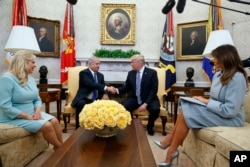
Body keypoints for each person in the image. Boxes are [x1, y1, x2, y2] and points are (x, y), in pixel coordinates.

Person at [154, 44, 248, 167]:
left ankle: (170, 150)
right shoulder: (219, 75)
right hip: (219, 112)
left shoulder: (237, 78)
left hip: (232, 118)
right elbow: (215, 99)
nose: (212, 60)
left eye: (215, 57)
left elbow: (230, 110)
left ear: (225, 57)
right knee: (187, 105)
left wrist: (206, 101)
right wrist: (202, 100)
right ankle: (170, 145)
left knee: (187, 112)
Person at [0, 50, 63, 150]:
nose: (35, 65)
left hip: (32, 113)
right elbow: (4, 106)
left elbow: (37, 99)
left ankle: (59, 148)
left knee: (55, 121)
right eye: (33, 62)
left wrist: (37, 111)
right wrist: (27, 116)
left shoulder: (31, 79)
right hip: (13, 116)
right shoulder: (7, 79)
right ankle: (61, 149)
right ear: (23, 62)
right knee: (47, 126)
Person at [109, 54, 160, 136]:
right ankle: (132, 125)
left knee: (155, 109)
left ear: (139, 63)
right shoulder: (131, 73)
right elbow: (127, 87)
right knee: (125, 107)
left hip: (149, 98)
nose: (131, 64)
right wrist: (117, 90)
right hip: (135, 98)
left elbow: (153, 90)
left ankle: (150, 126)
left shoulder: (152, 73)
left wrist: (145, 104)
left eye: (132, 62)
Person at [71, 56, 115, 129]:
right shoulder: (83, 73)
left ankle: (101, 126)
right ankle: (78, 128)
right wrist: (107, 88)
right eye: (97, 64)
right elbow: (91, 84)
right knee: (81, 104)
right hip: (85, 98)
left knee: (107, 104)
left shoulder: (100, 75)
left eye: (99, 64)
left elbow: (102, 86)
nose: (99, 66)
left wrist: (105, 94)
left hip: (97, 98)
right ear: (90, 64)